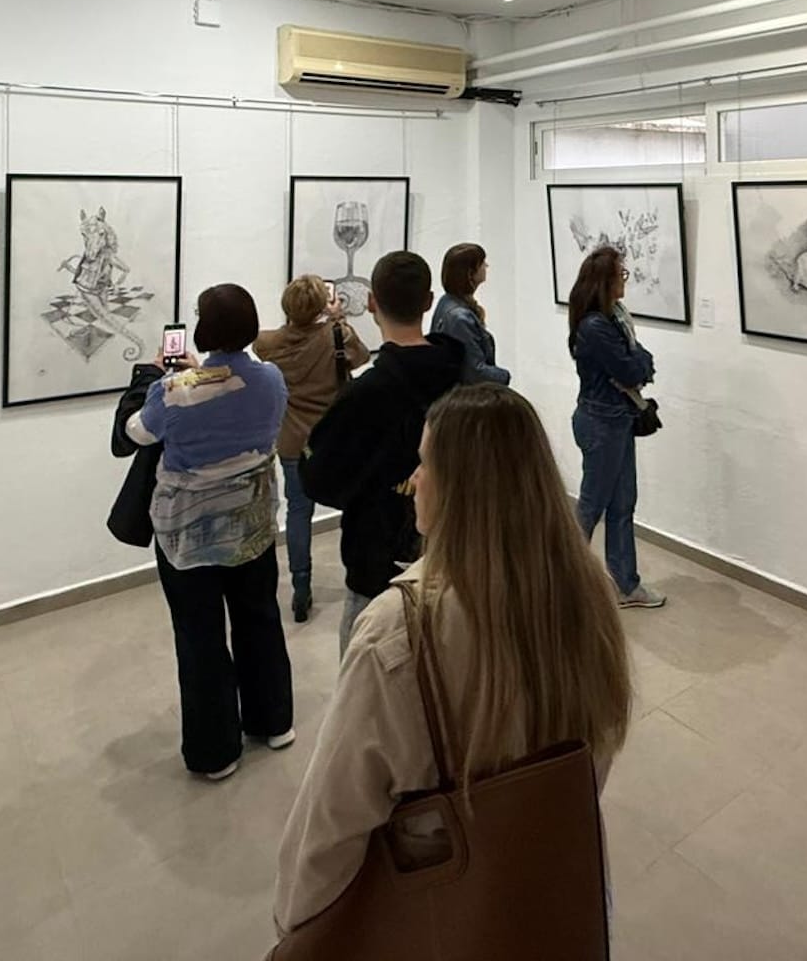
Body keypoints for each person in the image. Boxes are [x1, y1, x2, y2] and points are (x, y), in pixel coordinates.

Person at [273, 384, 634, 937]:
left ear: (460, 488)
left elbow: (333, 824)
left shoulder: (398, 631)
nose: (415, 479)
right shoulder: (591, 594)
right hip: (561, 879)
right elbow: (595, 749)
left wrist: (295, 930)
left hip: (447, 907)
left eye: (425, 463)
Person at [112, 282, 294, 781]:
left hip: (189, 535)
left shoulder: (175, 390)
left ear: (203, 328)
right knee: (260, 618)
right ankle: (274, 721)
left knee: (201, 637)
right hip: (252, 523)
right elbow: (233, 391)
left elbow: (136, 433)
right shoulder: (271, 378)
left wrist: (155, 376)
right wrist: (197, 375)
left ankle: (216, 751)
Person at [300, 251, 465, 658]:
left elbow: (318, 478)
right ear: (429, 301)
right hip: (453, 551)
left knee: (366, 678)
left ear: (372, 302)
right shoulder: (464, 378)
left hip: (376, 557)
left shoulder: (364, 395)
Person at [256, 276, 372, 624]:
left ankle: (301, 587)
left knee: (298, 512)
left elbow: (267, 344)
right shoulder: (336, 335)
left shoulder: (268, 343)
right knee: (353, 507)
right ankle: (358, 576)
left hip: (293, 441)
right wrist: (338, 319)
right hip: (333, 439)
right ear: (323, 304)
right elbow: (361, 356)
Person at [567, 245, 663, 610]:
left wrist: (638, 362)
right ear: (604, 281)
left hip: (617, 419)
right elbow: (632, 369)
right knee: (591, 506)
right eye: (621, 274)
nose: (625, 280)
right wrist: (638, 363)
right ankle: (562, 582)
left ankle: (626, 584)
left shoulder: (614, 318)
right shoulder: (596, 326)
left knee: (623, 503)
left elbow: (641, 362)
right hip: (600, 422)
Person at [431, 242, 511, 386]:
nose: (486, 266)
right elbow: (474, 373)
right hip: (466, 395)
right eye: (482, 263)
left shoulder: (447, 302)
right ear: (470, 272)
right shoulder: (459, 318)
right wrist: (504, 376)